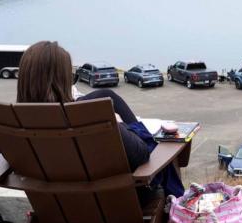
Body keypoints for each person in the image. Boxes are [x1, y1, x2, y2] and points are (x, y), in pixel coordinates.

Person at [15, 41, 149, 171]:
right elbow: (142, 154)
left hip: (51, 190)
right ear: (61, 84)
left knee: (105, 94)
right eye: (70, 79)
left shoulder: (15, 129)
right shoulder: (86, 120)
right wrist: (119, 123)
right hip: (111, 189)